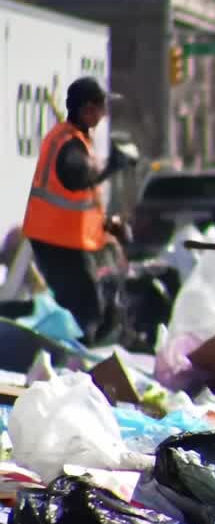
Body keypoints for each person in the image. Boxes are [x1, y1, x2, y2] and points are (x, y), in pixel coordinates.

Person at [21, 76, 135, 344]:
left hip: (65, 238)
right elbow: (75, 178)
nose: (104, 113)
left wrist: (106, 225)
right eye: (101, 107)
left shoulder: (76, 139)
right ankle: (71, 361)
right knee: (86, 309)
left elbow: (82, 201)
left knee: (91, 304)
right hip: (57, 240)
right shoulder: (69, 144)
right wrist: (111, 167)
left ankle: (76, 356)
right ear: (86, 109)